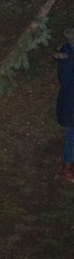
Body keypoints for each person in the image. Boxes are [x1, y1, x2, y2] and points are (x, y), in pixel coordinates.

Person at [56, 28, 74, 183]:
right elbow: (68, 83)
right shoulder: (67, 59)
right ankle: (67, 169)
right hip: (71, 104)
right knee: (72, 137)